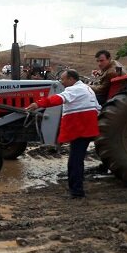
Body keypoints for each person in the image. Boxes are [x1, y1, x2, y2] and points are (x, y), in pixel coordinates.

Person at [26, 69, 101, 198]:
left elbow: (57, 99)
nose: (62, 82)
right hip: (86, 130)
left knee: (74, 162)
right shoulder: (87, 89)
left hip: (80, 130)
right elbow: (98, 109)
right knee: (77, 160)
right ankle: (77, 189)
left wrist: (37, 104)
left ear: (71, 79)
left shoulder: (74, 90)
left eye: (63, 79)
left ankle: (77, 192)